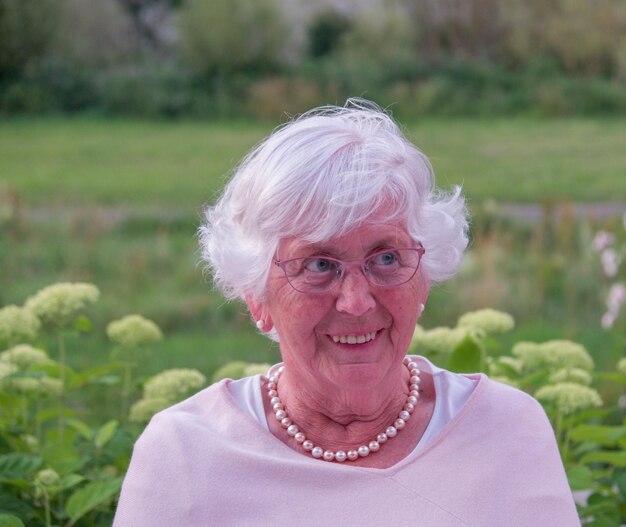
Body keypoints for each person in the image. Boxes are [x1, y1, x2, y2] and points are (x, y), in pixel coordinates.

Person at [113, 100, 580, 526]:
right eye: (318, 265)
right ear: (257, 297)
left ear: (423, 280)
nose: (356, 302)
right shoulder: (184, 455)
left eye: (386, 259)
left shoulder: (507, 431)